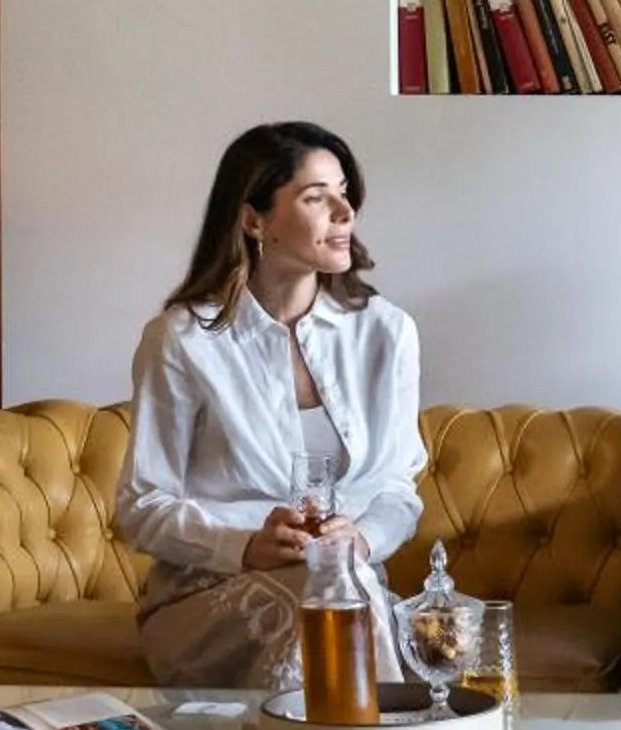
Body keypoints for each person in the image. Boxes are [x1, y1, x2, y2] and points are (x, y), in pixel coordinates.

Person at [118, 121, 425, 689]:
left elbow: (397, 489)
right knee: (332, 602)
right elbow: (142, 505)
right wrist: (245, 547)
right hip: (207, 594)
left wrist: (359, 538)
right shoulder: (183, 340)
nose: (344, 211)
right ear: (254, 219)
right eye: (316, 197)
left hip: (349, 581)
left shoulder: (386, 334)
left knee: (341, 589)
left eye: (344, 191)